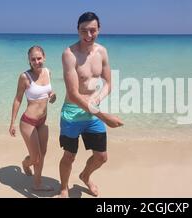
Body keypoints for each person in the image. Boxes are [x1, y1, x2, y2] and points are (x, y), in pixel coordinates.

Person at [59, 12, 123, 198]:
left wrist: (96, 99)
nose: (88, 35)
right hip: (72, 113)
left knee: (101, 157)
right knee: (69, 156)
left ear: (99, 29)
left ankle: (85, 176)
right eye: (83, 31)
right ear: (77, 31)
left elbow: (109, 83)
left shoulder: (102, 52)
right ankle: (64, 188)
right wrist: (104, 116)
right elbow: (73, 93)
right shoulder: (69, 54)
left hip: (91, 113)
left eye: (92, 30)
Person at [9, 45, 56, 191]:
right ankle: (25, 163)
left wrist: (53, 96)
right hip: (28, 122)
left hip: (42, 122)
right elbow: (18, 99)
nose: (36, 62)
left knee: (42, 155)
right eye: (33, 59)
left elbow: (48, 94)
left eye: (39, 58)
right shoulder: (25, 77)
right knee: (35, 158)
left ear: (44, 57)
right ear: (29, 60)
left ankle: (37, 184)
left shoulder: (48, 72)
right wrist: (12, 123)